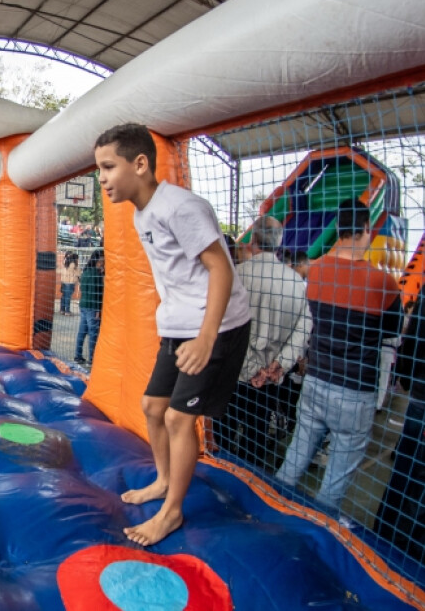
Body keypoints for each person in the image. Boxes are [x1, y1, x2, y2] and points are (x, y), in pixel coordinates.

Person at [94, 123, 252, 546]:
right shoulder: (141, 213)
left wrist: (206, 338)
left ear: (139, 164)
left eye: (108, 167)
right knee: (152, 406)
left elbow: (220, 269)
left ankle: (172, 512)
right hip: (181, 324)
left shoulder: (181, 207)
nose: (102, 178)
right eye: (99, 169)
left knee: (179, 418)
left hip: (216, 325)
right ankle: (164, 480)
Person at [274, 198, 403, 512]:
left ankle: (270, 512)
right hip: (355, 390)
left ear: (338, 228)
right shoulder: (383, 283)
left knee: (292, 463)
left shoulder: (315, 270)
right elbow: (391, 332)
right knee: (334, 484)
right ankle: (319, 529)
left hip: (316, 379)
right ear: (365, 228)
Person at [220, 216, 311, 470]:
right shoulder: (296, 283)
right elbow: (304, 328)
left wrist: (252, 368)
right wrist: (280, 364)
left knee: (223, 436)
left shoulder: (237, 276)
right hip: (269, 379)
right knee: (255, 439)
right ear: (279, 243)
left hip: (234, 375)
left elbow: (224, 326)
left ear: (253, 239)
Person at [374, 295, 425, 558]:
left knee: (406, 469)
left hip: (420, 391)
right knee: (414, 476)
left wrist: (407, 375)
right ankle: (403, 548)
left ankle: (385, 533)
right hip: (421, 395)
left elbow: (414, 335)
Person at [75, 249, 104, 365]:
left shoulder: (86, 272)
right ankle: (92, 359)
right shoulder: (96, 274)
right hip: (92, 307)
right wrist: (98, 309)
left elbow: (83, 289)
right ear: (99, 261)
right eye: (102, 261)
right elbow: (96, 293)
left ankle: (78, 356)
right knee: (93, 333)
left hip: (83, 305)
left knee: (82, 332)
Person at [59, 252, 79, 316]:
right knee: (68, 297)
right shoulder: (73, 265)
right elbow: (78, 274)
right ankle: (67, 311)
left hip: (64, 282)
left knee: (64, 296)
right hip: (70, 282)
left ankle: (62, 310)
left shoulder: (65, 263)